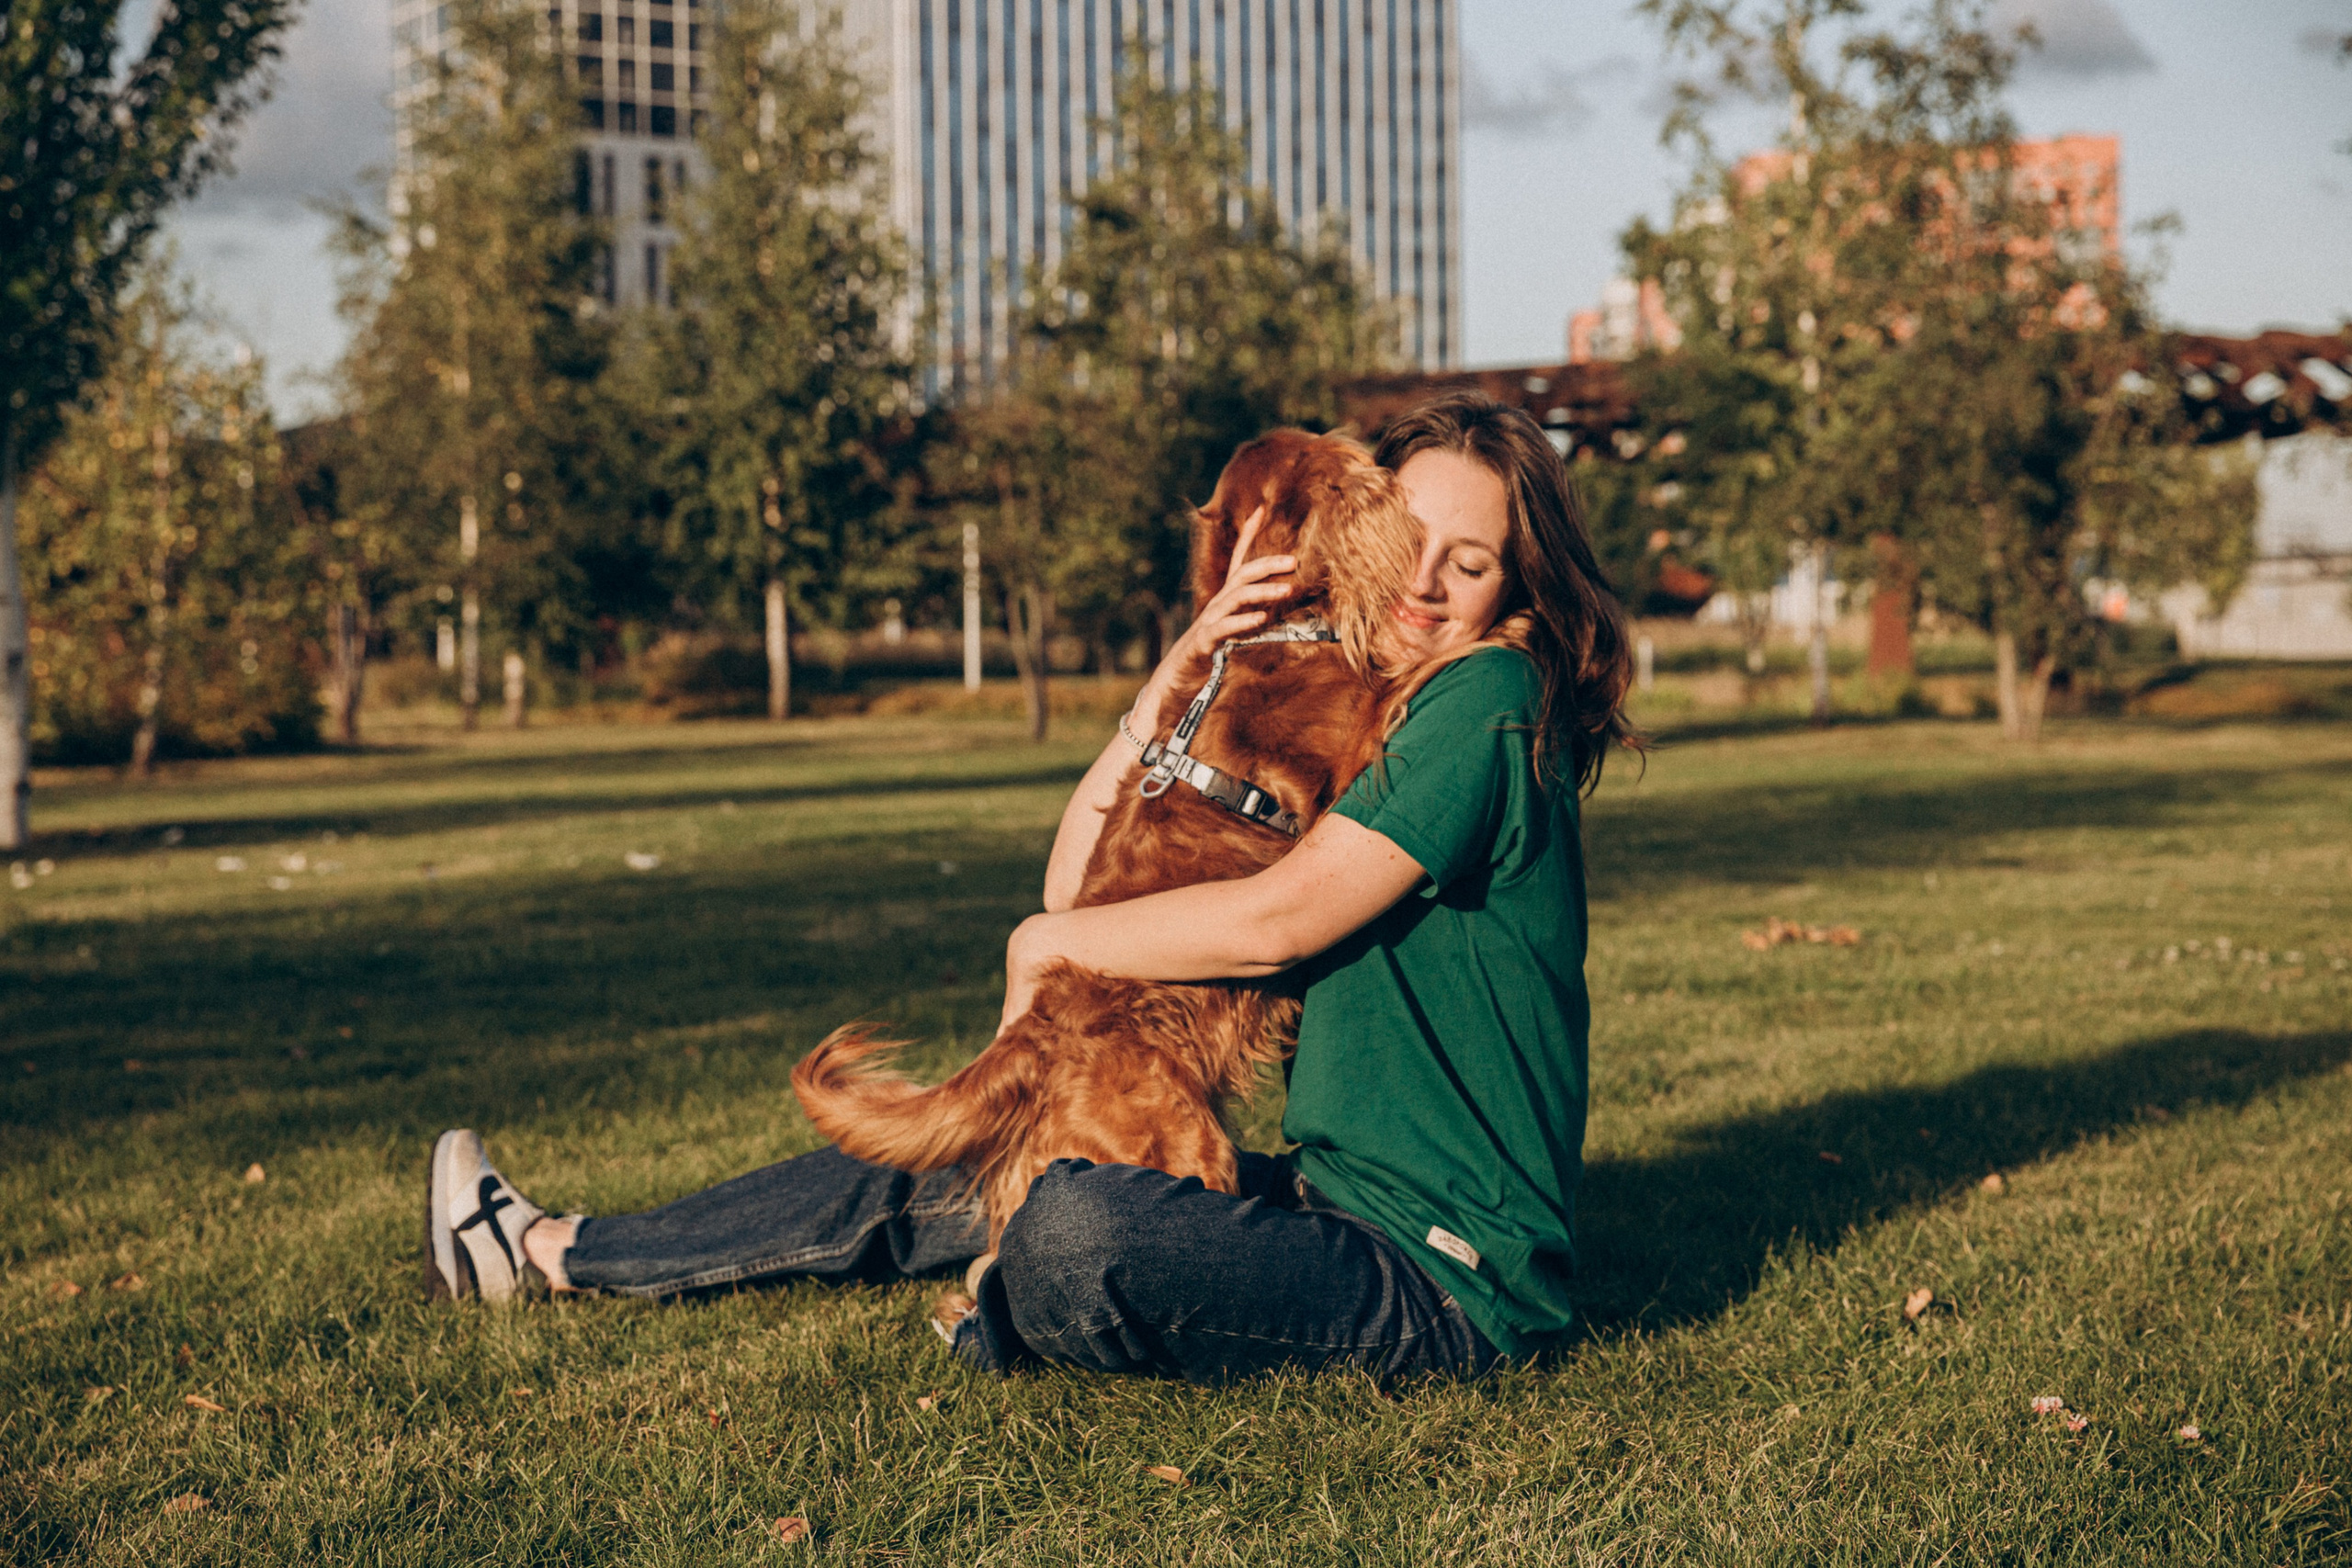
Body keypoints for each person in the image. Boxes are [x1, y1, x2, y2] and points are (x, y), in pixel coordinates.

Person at [425, 394, 1637, 1384]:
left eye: (1470, 562)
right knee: (996, 1130)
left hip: (1444, 1280)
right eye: (1402, 537)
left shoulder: (1488, 696)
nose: (1421, 583)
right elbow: (1078, 883)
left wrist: (1042, 948)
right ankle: (548, 1249)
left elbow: (1279, 923)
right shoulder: (1376, 698)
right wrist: (1184, 668)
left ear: (1520, 587)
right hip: (1330, 1202)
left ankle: (1005, 1312)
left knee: (1076, 1225)